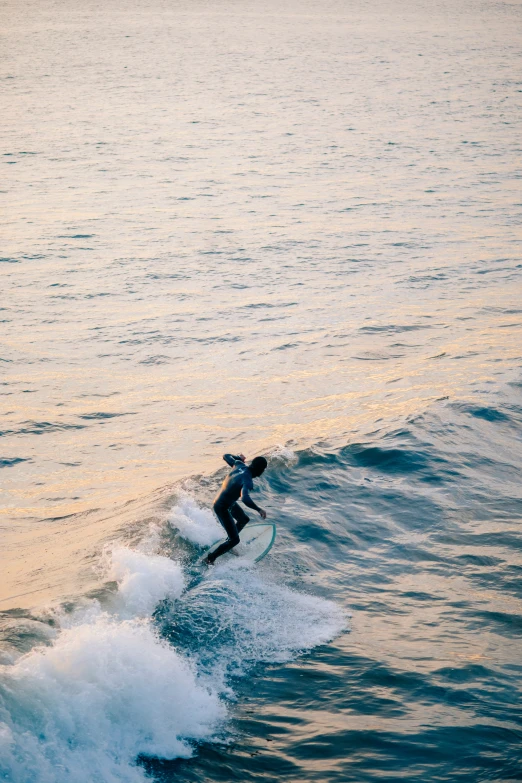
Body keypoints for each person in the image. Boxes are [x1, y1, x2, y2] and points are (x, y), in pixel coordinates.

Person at [203, 453, 268, 565]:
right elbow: (245, 498)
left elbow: (225, 456)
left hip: (225, 502)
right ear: (260, 470)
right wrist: (258, 509)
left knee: (243, 519)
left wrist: (239, 458)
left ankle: (229, 543)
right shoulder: (247, 481)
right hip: (222, 507)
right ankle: (210, 559)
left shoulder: (239, 465)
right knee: (235, 540)